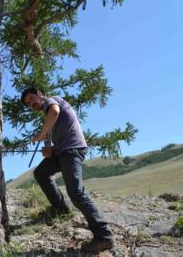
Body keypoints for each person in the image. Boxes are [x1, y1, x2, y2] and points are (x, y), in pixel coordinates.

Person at [21, 87, 114, 253]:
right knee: (41, 173)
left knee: (76, 192)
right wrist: (49, 149)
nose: (31, 104)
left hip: (72, 150)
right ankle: (61, 208)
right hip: (62, 151)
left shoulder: (51, 101)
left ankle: (104, 236)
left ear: (40, 95)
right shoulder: (47, 111)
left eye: (32, 99)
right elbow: (53, 129)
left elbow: (55, 113)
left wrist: (41, 135)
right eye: (28, 103)